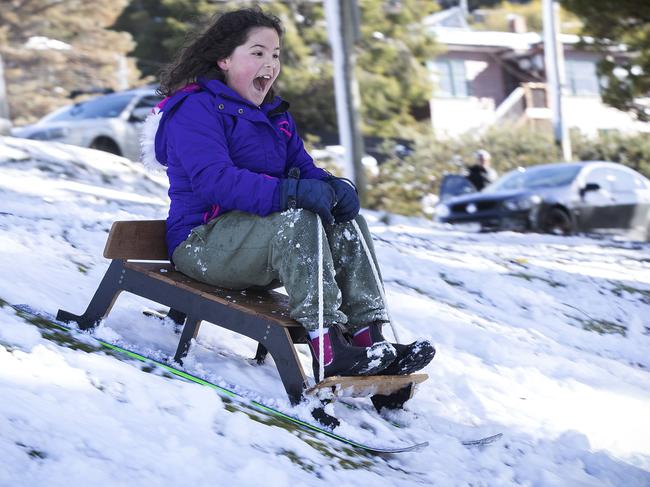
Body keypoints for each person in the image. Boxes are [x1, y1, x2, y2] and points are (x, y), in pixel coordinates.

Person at [142, 8, 435, 382]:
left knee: (348, 223)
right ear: (224, 59)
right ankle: (328, 349)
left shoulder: (273, 116)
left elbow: (304, 169)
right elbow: (215, 181)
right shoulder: (194, 109)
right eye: (258, 52)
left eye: (276, 54)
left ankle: (368, 338)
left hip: (258, 247)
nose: (270, 63)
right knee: (298, 219)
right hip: (203, 241)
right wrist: (292, 193)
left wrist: (334, 188)